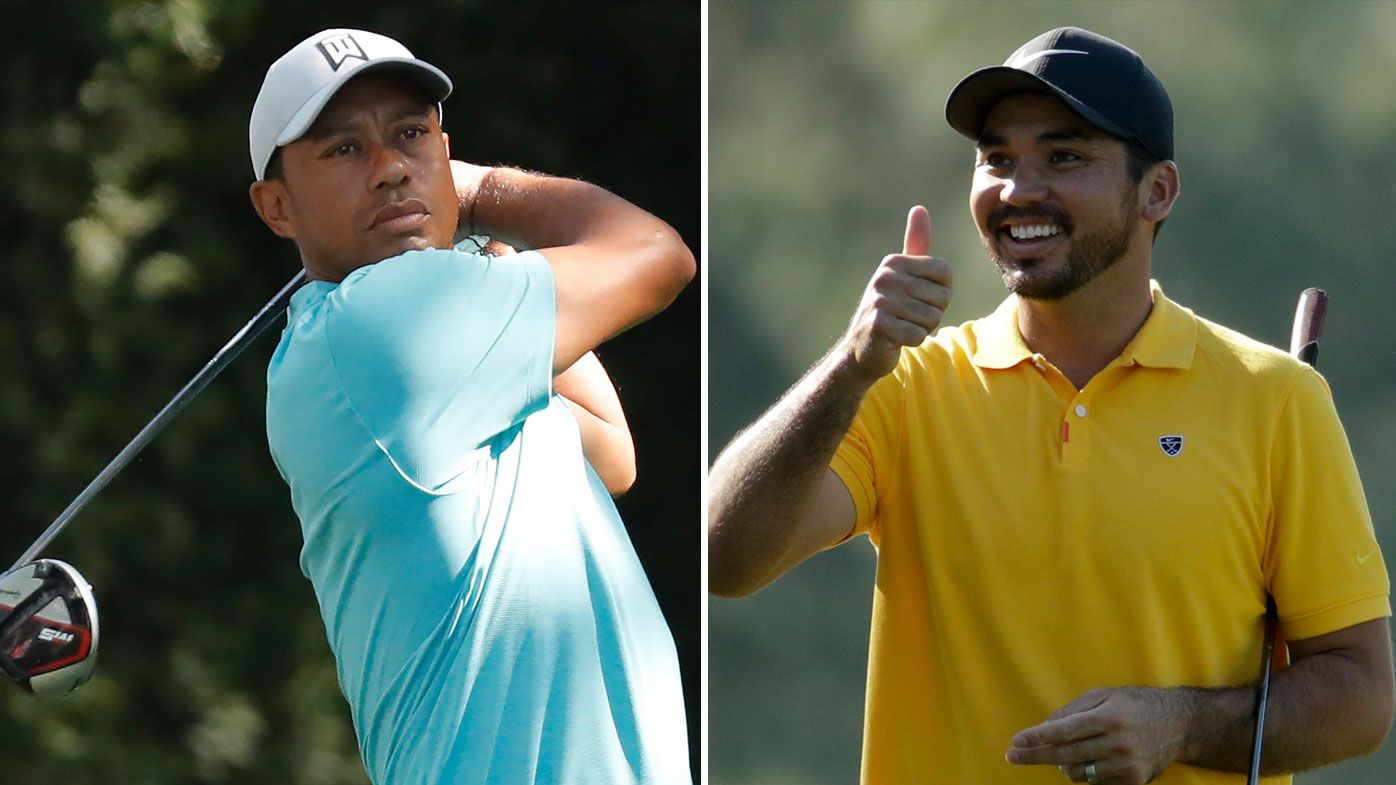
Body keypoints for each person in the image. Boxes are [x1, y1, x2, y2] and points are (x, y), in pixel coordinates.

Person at [709, 26, 1392, 785]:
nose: (1017, 189)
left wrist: (1181, 725)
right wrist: (849, 365)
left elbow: (1360, 696)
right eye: (997, 158)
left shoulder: (1277, 400)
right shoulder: (905, 387)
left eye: (1063, 157)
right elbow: (726, 557)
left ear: (1156, 190)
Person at [246, 29, 694, 785]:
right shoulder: (383, 325)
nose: (391, 168)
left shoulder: (431, 351)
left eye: (411, 135)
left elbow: (610, 451)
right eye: (344, 149)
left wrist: (479, 246)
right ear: (277, 206)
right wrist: (481, 193)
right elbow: (656, 253)